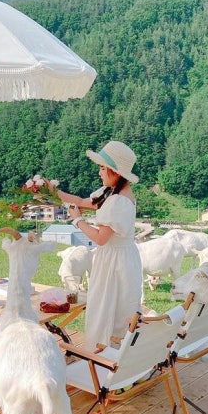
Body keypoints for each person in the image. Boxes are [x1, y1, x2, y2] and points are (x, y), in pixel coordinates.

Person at [55, 140, 143, 351]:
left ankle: (105, 361)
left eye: (103, 168)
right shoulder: (111, 193)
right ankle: (114, 360)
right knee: (111, 308)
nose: (99, 172)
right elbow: (80, 201)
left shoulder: (119, 201)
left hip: (115, 262)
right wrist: (50, 193)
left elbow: (101, 238)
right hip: (117, 258)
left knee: (110, 310)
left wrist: (77, 220)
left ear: (115, 171)